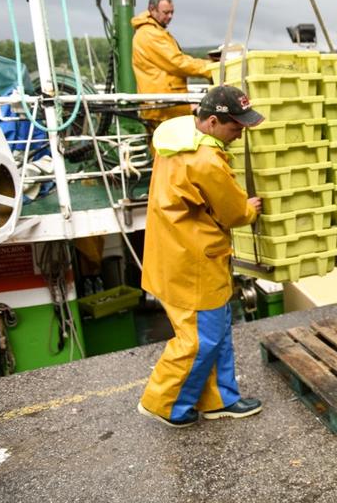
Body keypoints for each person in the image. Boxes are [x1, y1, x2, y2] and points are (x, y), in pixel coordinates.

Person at [137, 85, 265, 428]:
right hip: (192, 262)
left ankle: (219, 399)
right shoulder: (207, 160)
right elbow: (233, 212)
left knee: (217, 331)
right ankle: (165, 403)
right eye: (235, 128)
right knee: (199, 339)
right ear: (211, 121)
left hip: (174, 252)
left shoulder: (176, 135)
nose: (239, 135)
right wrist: (249, 209)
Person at [132, 0, 212, 131]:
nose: (170, 17)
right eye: (166, 12)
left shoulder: (153, 31)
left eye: (172, 12)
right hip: (164, 109)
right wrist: (212, 68)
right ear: (152, 10)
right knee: (169, 150)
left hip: (166, 107)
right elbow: (176, 62)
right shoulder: (150, 34)